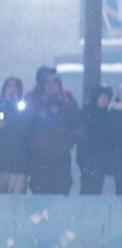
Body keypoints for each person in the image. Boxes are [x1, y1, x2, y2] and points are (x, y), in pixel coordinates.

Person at [25, 66, 80, 195]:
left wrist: (68, 139)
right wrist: (34, 142)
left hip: (61, 157)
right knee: (39, 194)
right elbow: (26, 126)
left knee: (61, 192)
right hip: (40, 158)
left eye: (53, 82)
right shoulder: (33, 100)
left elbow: (78, 123)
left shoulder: (67, 99)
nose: (50, 86)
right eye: (47, 82)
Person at [77, 85, 118, 195]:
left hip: (101, 161)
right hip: (88, 160)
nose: (104, 100)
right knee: (87, 188)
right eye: (101, 96)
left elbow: (111, 140)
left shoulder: (108, 116)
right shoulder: (87, 113)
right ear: (96, 97)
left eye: (106, 97)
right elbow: (81, 138)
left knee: (96, 189)